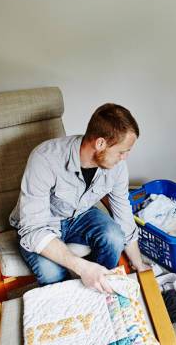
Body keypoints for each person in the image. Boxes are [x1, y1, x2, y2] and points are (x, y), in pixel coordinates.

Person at [9, 103, 149, 293]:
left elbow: (123, 212)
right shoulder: (44, 159)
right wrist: (82, 268)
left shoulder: (116, 166)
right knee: (51, 274)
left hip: (81, 214)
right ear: (100, 144)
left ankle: (98, 287)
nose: (124, 157)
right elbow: (33, 229)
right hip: (43, 222)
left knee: (114, 237)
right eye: (122, 151)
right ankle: (72, 297)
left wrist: (139, 264)